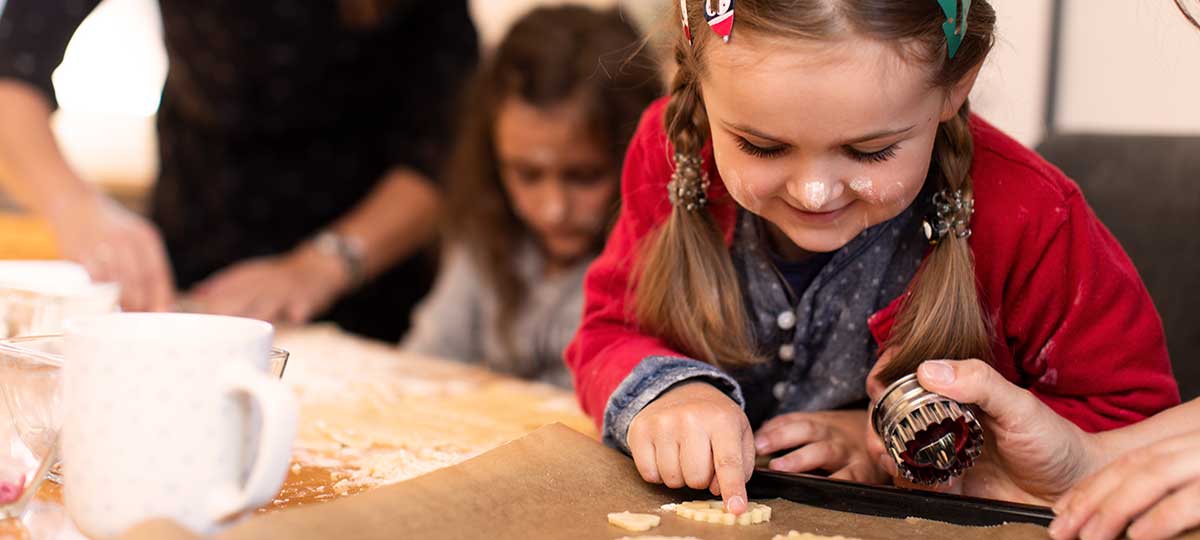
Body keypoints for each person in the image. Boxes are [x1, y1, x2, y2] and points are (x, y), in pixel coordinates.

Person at [564, 0, 1178, 515]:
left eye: (870, 152)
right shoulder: (674, 150)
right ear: (698, 78)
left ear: (954, 85)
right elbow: (608, 329)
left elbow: (1133, 431)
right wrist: (667, 393)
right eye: (760, 145)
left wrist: (891, 438)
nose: (814, 192)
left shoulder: (1034, 217)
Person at [0, 1, 478, 341]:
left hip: (363, 289)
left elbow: (445, 147)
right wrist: (74, 206)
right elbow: (11, 75)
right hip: (190, 263)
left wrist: (321, 264)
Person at [401, 5, 660, 387]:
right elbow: (420, 366)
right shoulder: (486, 226)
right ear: (491, 159)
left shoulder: (658, 265)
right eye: (527, 174)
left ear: (636, 156)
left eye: (583, 177)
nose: (553, 209)